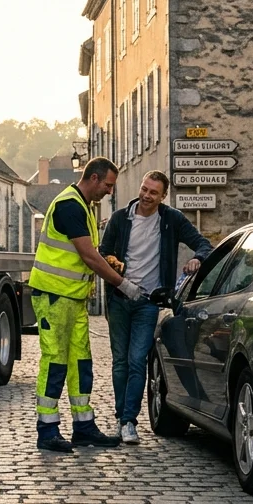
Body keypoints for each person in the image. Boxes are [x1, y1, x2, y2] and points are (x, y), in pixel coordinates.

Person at [28, 157, 144, 453]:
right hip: (54, 296)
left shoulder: (84, 207)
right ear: (93, 178)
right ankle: (47, 430)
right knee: (55, 361)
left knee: (81, 363)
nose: (109, 191)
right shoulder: (69, 205)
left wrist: (109, 263)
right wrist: (124, 285)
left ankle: (83, 427)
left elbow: (92, 254)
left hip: (73, 297)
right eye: (108, 184)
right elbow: (89, 257)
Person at [99, 170, 212, 445]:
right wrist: (114, 266)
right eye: (144, 189)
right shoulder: (120, 219)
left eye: (153, 193)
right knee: (120, 362)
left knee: (138, 360)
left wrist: (197, 259)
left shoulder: (171, 219)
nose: (146, 196)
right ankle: (119, 416)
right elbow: (102, 253)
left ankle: (129, 422)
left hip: (149, 302)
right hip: (119, 298)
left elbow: (204, 245)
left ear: (163, 196)